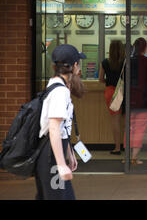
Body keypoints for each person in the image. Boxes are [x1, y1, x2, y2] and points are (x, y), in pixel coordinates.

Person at [35, 44, 86, 200]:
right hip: (51, 156)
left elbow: (63, 128)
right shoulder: (60, 91)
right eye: (78, 63)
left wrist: (69, 153)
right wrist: (60, 165)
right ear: (75, 65)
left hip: (53, 154)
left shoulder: (56, 84)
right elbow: (54, 128)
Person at [126, 37, 147, 165]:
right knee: (140, 128)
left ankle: (127, 157)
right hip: (145, 99)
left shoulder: (128, 62)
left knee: (129, 128)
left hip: (130, 99)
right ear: (145, 48)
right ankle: (134, 157)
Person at [99, 40, 125, 155]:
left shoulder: (105, 62)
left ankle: (117, 147)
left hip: (110, 91)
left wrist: (108, 80)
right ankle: (126, 145)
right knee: (125, 120)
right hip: (123, 91)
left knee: (115, 120)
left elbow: (100, 79)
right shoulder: (125, 62)